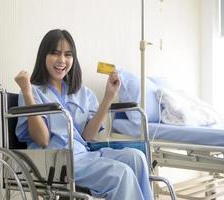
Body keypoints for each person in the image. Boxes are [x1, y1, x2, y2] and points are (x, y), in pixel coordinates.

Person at [15, 29, 153, 200]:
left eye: (67, 54)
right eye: (55, 53)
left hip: (84, 154)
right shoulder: (32, 91)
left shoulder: (82, 92)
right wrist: (27, 92)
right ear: (43, 56)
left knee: (136, 157)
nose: (62, 60)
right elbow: (42, 140)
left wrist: (109, 96)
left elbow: (88, 135)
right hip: (56, 161)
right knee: (121, 173)